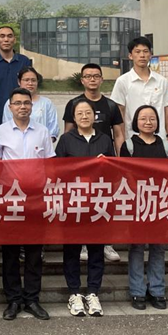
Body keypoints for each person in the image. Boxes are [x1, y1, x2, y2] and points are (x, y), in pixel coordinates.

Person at [0, 87, 55, 321]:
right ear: (10, 107)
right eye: (17, 103)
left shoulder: (42, 131)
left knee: (34, 253)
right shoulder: (0, 132)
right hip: (10, 199)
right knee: (9, 253)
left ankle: (32, 299)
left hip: (36, 199)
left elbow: (50, 165)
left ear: (32, 106)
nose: (22, 107)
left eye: (26, 103)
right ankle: (13, 300)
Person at [55, 99, 114, 318]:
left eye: (88, 112)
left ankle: (93, 292)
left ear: (94, 116)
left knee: (96, 250)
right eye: (79, 113)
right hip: (73, 203)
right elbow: (57, 170)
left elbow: (114, 170)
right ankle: (74, 293)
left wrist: (105, 163)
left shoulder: (105, 139)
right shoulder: (66, 140)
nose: (84, 116)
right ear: (74, 117)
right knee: (71, 249)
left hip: (98, 203)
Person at [64, 63, 126, 263]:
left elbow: (118, 134)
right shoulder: (73, 103)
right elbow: (68, 133)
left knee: (104, 203)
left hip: (103, 164)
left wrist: (119, 160)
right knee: (81, 204)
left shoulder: (111, 105)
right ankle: (83, 243)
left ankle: (106, 243)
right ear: (82, 80)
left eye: (96, 76)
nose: (92, 79)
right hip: (79, 167)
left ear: (101, 79)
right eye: (88, 76)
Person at [119, 105, 168, 311]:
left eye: (152, 118)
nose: (148, 122)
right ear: (136, 122)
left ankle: (157, 290)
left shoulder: (166, 146)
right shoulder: (128, 146)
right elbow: (124, 175)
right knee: (136, 248)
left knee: (158, 248)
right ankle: (137, 291)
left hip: (160, 203)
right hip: (137, 204)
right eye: (143, 118)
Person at [110, 37, 168, 142]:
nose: (142, 55)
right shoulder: (123, 81)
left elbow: (166, 110)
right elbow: (120, 113)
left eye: (145, 51)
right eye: (137, 52)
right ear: (130, 56)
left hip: (159, 138)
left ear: (151, 55)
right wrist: (121, 140)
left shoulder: (161, 81)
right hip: (132, 138)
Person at [0, 25, 32, 128]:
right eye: (2, 36)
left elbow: (30, 88)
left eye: (9, 36)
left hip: (20, 114)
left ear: (14, 40)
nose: (6, 39)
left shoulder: (24, 61)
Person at [2, 67, 59, 141]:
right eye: (26, 80)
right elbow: (6, 127)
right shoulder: (11, 102)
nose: (30, 83)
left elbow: (53, 130)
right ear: (19, 82)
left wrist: (44, 143)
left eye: (33, 80)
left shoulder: (47, 103)